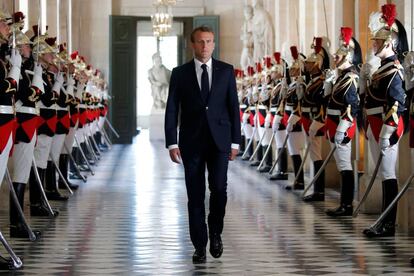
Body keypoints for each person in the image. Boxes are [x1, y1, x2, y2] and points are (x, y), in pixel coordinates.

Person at [164, 26, 241, 264]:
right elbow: (172, 109)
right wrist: (171, 143)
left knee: (219, 189)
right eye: (200, 42)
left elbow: (233, 108)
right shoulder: (180, 73)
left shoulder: (226, 71)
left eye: (209, 42)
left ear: (214, 44)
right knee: (194, 195)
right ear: (192, 44)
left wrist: (235, 142)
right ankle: (199, 244)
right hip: (191, 141)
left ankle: (215, 232)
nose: (205, 46)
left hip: (220, 141)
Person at [362, 4, 408, 237]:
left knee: (389, 174)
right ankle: (383, 219)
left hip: (387, 129)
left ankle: (388, 223)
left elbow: (397, 103)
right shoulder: (381, 69)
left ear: (389, 43)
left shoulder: (394, 70)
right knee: (383, 174)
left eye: (377, 42)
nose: (373, 45)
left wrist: (387, 131)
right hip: (376, 126)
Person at [324, 27, 362, 216]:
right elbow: (329, 100)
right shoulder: (341, 78)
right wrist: (328, 83)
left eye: (338, 57)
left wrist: (342, 129)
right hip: (333, 123)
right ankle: (344, 204)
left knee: (345, 165)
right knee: (341, 165)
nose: (334, 60)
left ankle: (346, 205)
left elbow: (352, 107)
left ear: (347, 57)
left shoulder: (351, 78)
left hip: (342, 126)